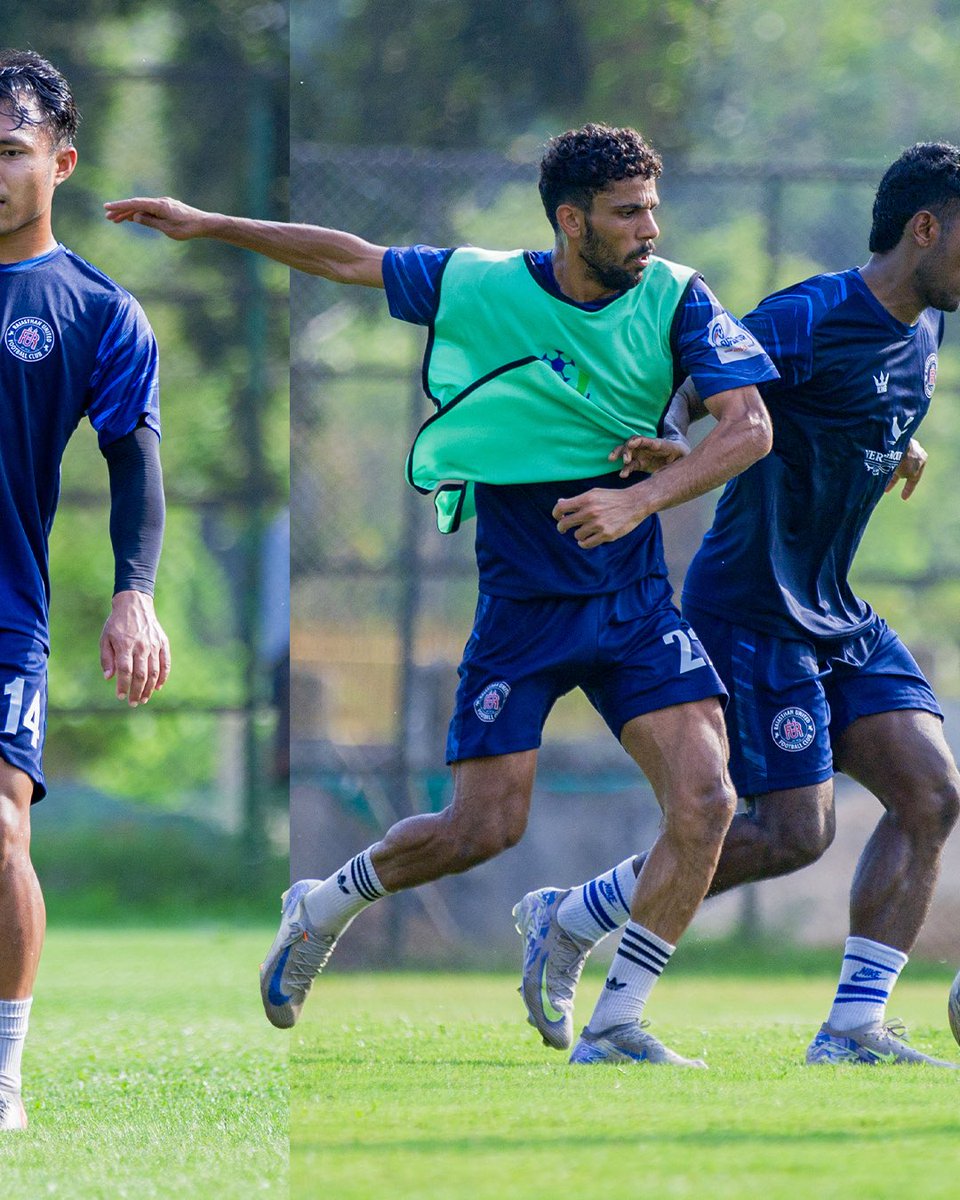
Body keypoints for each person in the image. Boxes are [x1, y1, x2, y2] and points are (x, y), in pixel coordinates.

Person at [105, 123, 776, 1066]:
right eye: (628, 214)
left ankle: (618, 1024)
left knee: (707, 803)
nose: (649, 230)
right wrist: (209, 222)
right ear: (570, 220)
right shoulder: (484, 284)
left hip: (634, 607)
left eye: (653, 210)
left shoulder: (675, 298)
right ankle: (321, 906)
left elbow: (748, 428)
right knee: (480, 830)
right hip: (523, 611)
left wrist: (646, 494)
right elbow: (347, 258)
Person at [515, 140, 960, 1068]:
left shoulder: (927, 328)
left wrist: (898, 445)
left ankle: (852, 1030)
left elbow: (864, 407)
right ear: (925, 228)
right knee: (793, 833)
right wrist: (669, 440)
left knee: (930, 793)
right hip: (753, 603)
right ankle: (575, 916)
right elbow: (702, 381)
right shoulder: (809, 313)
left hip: (833, 605)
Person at [0, 50, 170, 1129]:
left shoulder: (98, 313)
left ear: (60, 160)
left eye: (8, 150)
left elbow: (133, 459)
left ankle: (3, 1073)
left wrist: (134, 594)